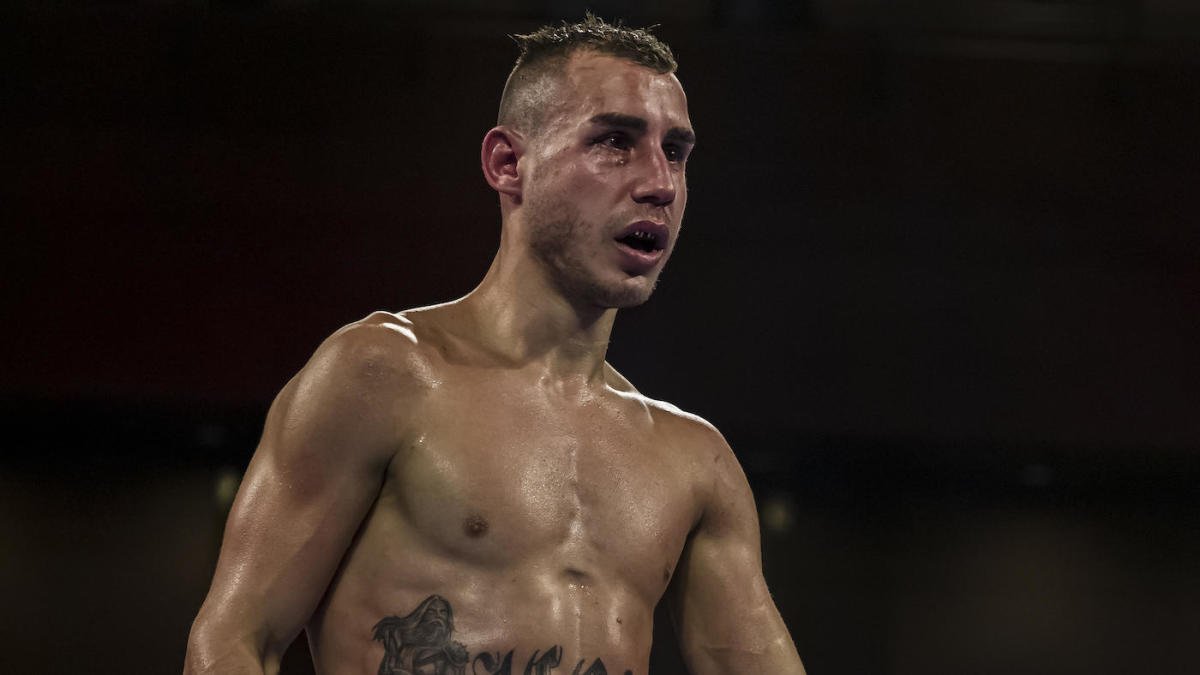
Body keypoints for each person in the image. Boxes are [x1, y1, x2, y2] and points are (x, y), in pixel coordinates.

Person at [185, 14, 806, 675]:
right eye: (615, 142)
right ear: (509, 164)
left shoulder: (694, 462)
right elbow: (231, 643)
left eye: (675, 151)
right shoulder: (383, 375)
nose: (660, 183)